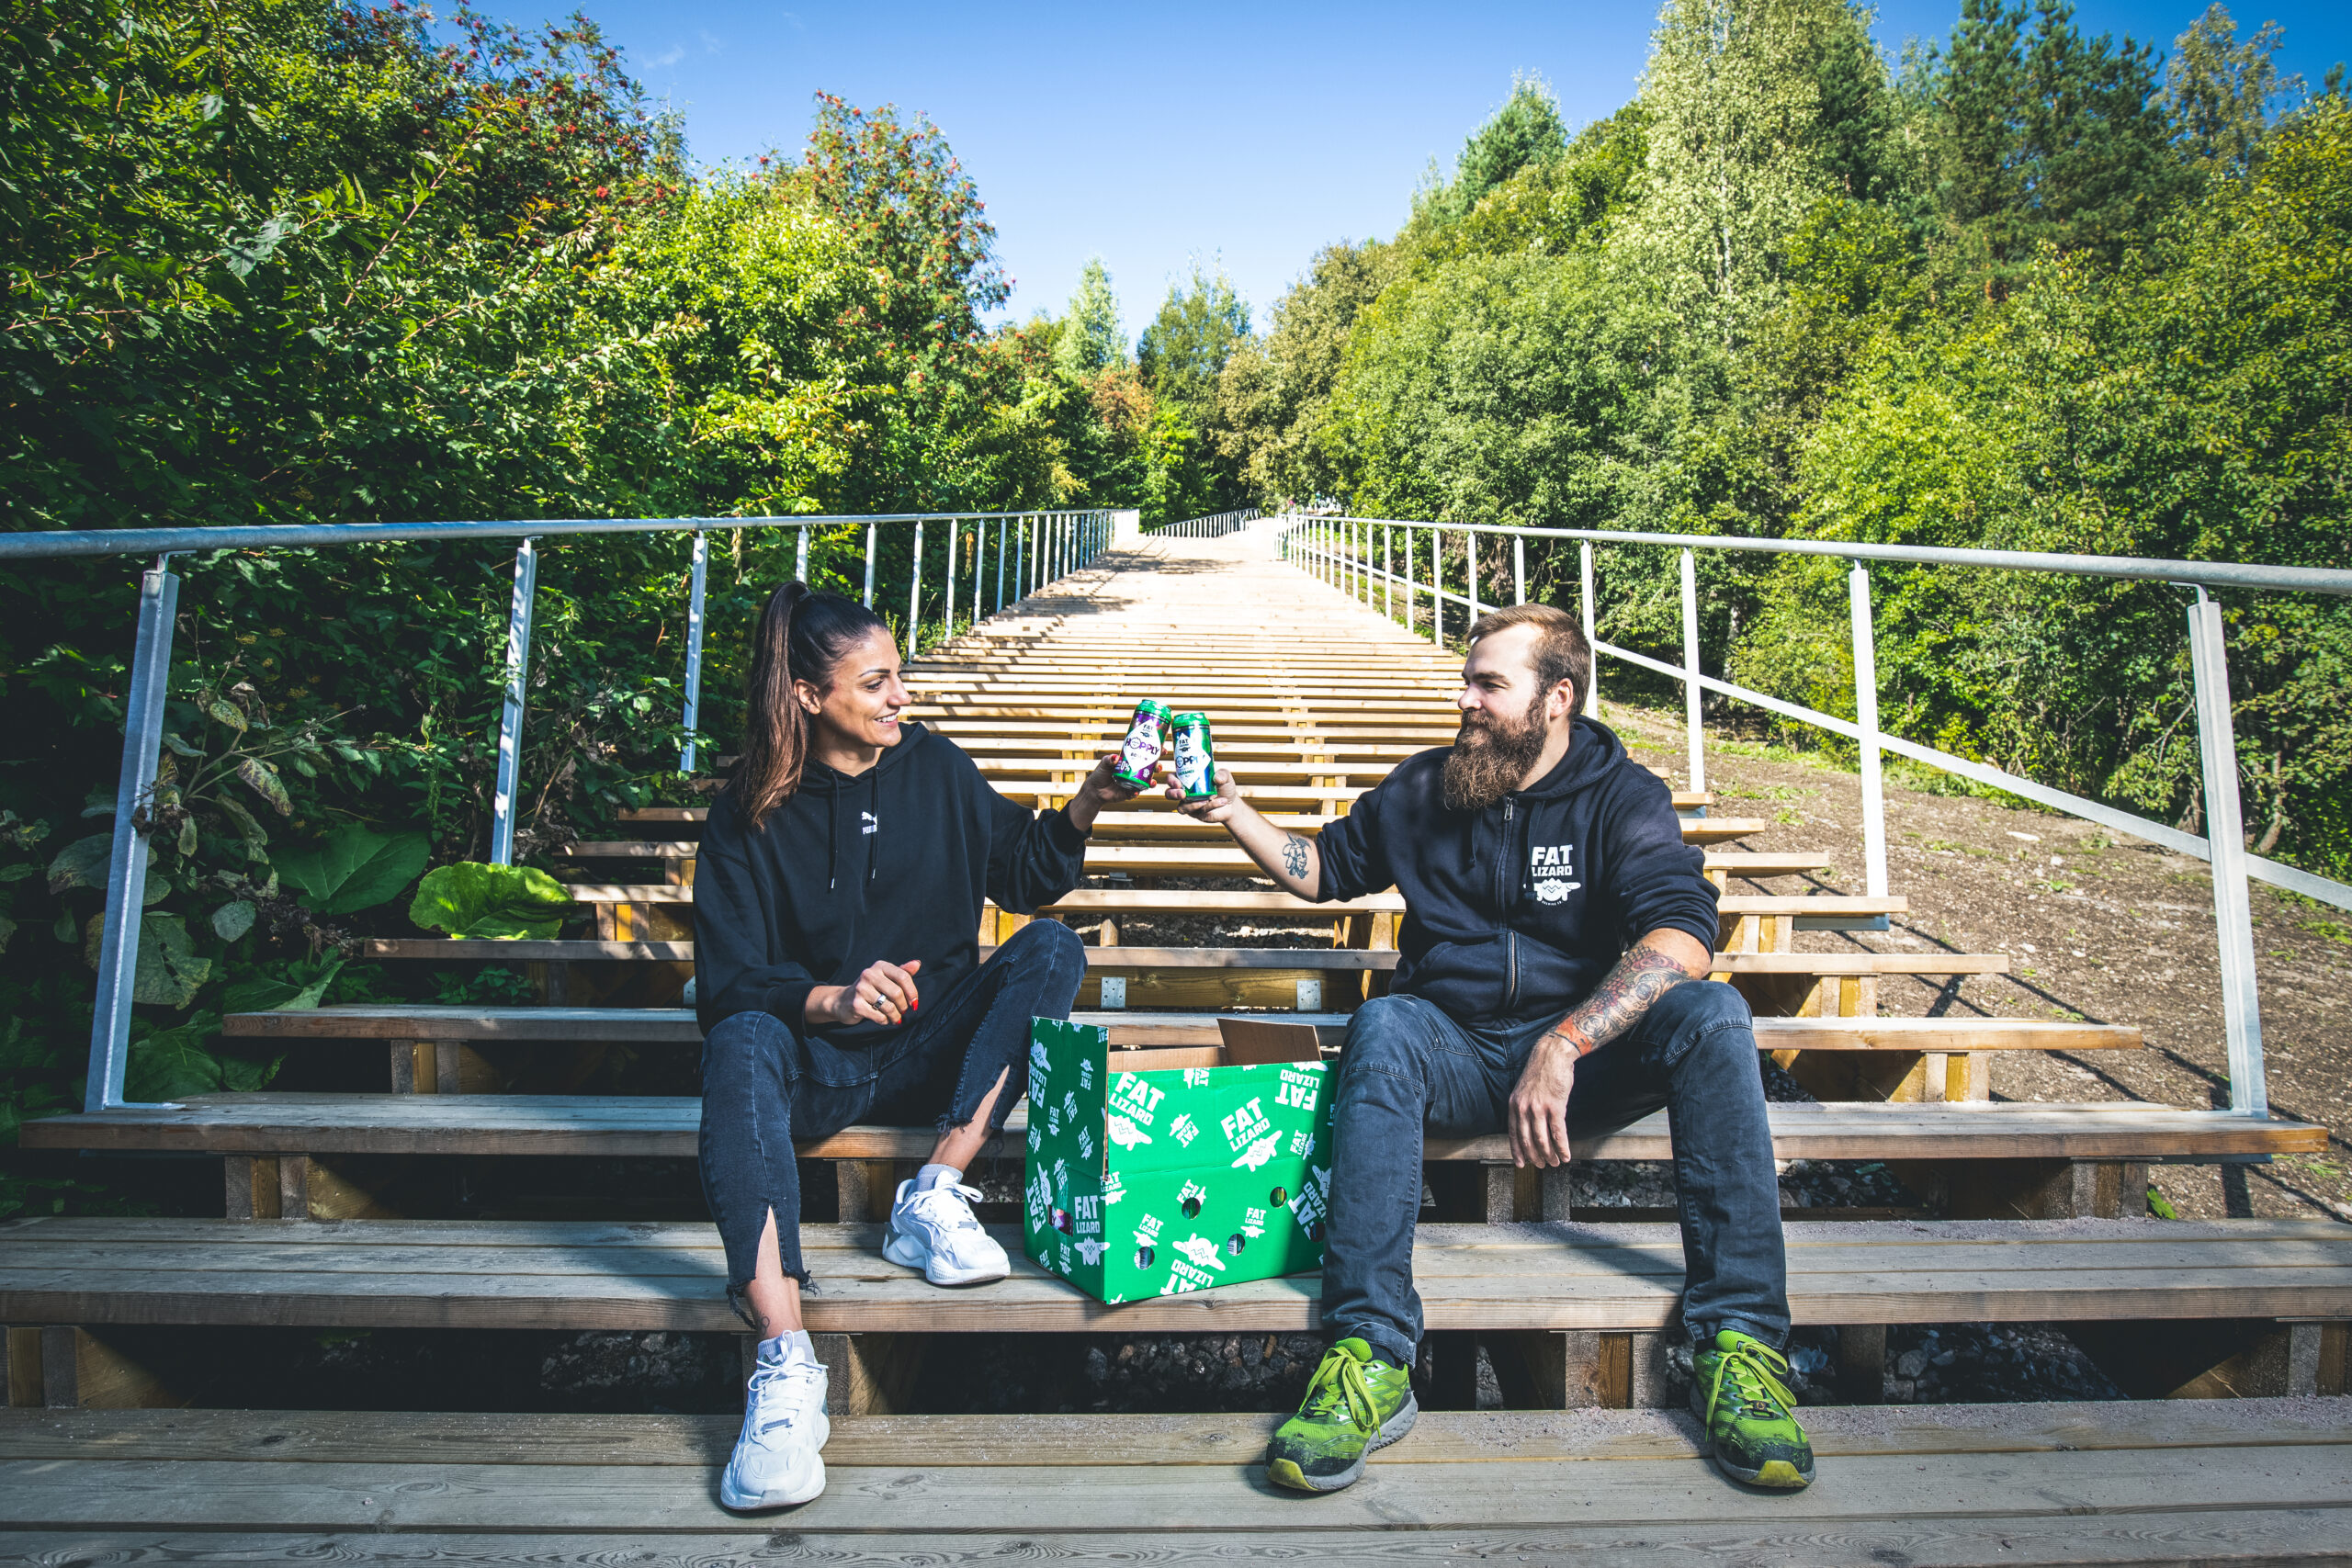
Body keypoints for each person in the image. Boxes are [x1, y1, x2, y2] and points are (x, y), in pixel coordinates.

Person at [1172, 603, 1813, 1494]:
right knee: (1384, 1023)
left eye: (1489, 685)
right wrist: (1232, 809)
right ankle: (1369, 1352)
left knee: (1713, 1013)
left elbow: (1682, 935)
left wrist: (1565, 1041)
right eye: (1466, 682)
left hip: (1584, 1062)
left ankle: (1740, 1346)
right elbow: (1323, 870)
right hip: (1458, 1050)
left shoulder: (1623, 797)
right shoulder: (1424, 787)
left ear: (1558, 698)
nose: (1465, 700)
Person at [693, 582, 1138, 1511]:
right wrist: (829, 997)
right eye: (876, 682)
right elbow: (727, 984)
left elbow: (1026, 873)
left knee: (1051, 947)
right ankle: (784, 1362)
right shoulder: (746, 811)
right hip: (816, 1068)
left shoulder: (935, 767)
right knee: (738, 1040)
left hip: (933, 1055)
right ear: (808, 695)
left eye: (899, 675)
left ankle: (933, 1192)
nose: (902, 695)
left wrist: (1088, 801)